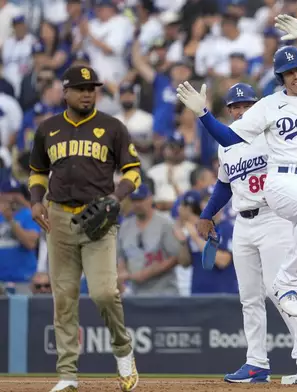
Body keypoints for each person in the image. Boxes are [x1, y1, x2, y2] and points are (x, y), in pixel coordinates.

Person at [176, 14, 297, 318]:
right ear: (279, 78)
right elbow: (228, 149)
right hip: (282, 188)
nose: (296, 75)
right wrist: (203, 114)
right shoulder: (268, 110)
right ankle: (263, 353)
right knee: (256, 296)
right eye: (288, 72)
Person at [198, 83, 297, 379]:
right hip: (243, 221)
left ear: (258, 107)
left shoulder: (272, 136)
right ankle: (256, 362)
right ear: (229, 111)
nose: (241, 110)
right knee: (250, 297)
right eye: (236, 107)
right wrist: (207, 213)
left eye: (247, 105)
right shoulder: (226, 143)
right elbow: (225, 184)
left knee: (278, 289)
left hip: (275, 217)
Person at [28, 65, 141, 392]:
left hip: (98, 218)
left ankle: (123, 351)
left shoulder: (112, 127)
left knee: (105, 292)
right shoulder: (48, 129)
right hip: (59, 218)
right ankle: (67, 375)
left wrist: (116, 197)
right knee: (63, 298)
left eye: (92, 87)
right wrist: (36, 201)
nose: (88, 93)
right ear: (65, 92)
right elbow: (37, 172)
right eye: (80, 88)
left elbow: (133, 172)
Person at [117, 183, 181, 296]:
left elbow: (176, 257)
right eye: (134, 200)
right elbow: (120, 255)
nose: (137, 204)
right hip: (135, 293)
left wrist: (150, 272)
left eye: (141, 200)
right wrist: (123, 273)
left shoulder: (165, 223)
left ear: (150, 198)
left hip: (164, 292)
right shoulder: (125, 226)